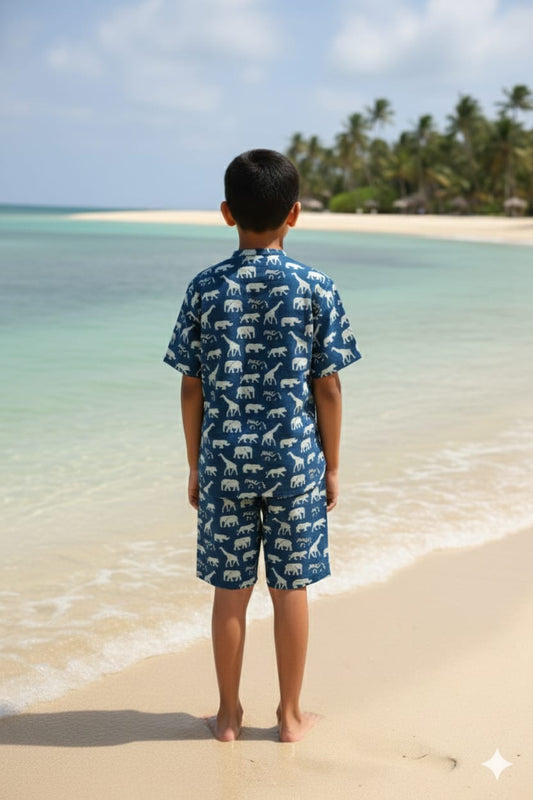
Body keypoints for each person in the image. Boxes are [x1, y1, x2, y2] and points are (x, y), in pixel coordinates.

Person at [164, 149, 361, 742]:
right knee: (290, 589)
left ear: (227, 212)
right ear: (294, 213)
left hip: (224, 460)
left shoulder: (205, 287)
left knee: (230, 592)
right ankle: (290, 716)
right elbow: (328, 387)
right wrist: (332, 465)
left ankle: (228, 716)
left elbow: (191, 385)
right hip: (295, 461)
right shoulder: (316, 287)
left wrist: (195, 463)